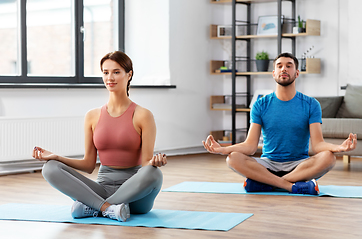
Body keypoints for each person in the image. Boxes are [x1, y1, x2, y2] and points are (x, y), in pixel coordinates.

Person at [32, 51, 167, 222]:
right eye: (105, 72)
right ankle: (108, 208)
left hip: (135, 196)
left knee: (154, 174)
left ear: (129, 74)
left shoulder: (143, 115)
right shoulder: (92, 116)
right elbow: (88, 164)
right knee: (50, 168)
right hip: (101, 189)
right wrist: (56, 157)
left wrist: (156, 163)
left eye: (116, 72)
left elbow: (146, 163)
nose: (110, 77)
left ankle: (95, 207)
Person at [203, 52, 357, 195]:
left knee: (329, 158)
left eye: (289, 66)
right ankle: (290, 186)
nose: (284, 69)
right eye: (279, 66)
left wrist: (338, 148)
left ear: (297, 73)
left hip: (299, 165)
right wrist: (223, 149)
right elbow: (250, 146)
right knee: (233, 158)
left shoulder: (311, 104)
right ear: (273, 73)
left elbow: (317, 145)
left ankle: (267, 183)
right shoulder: (260, 105)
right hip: (268, 164)